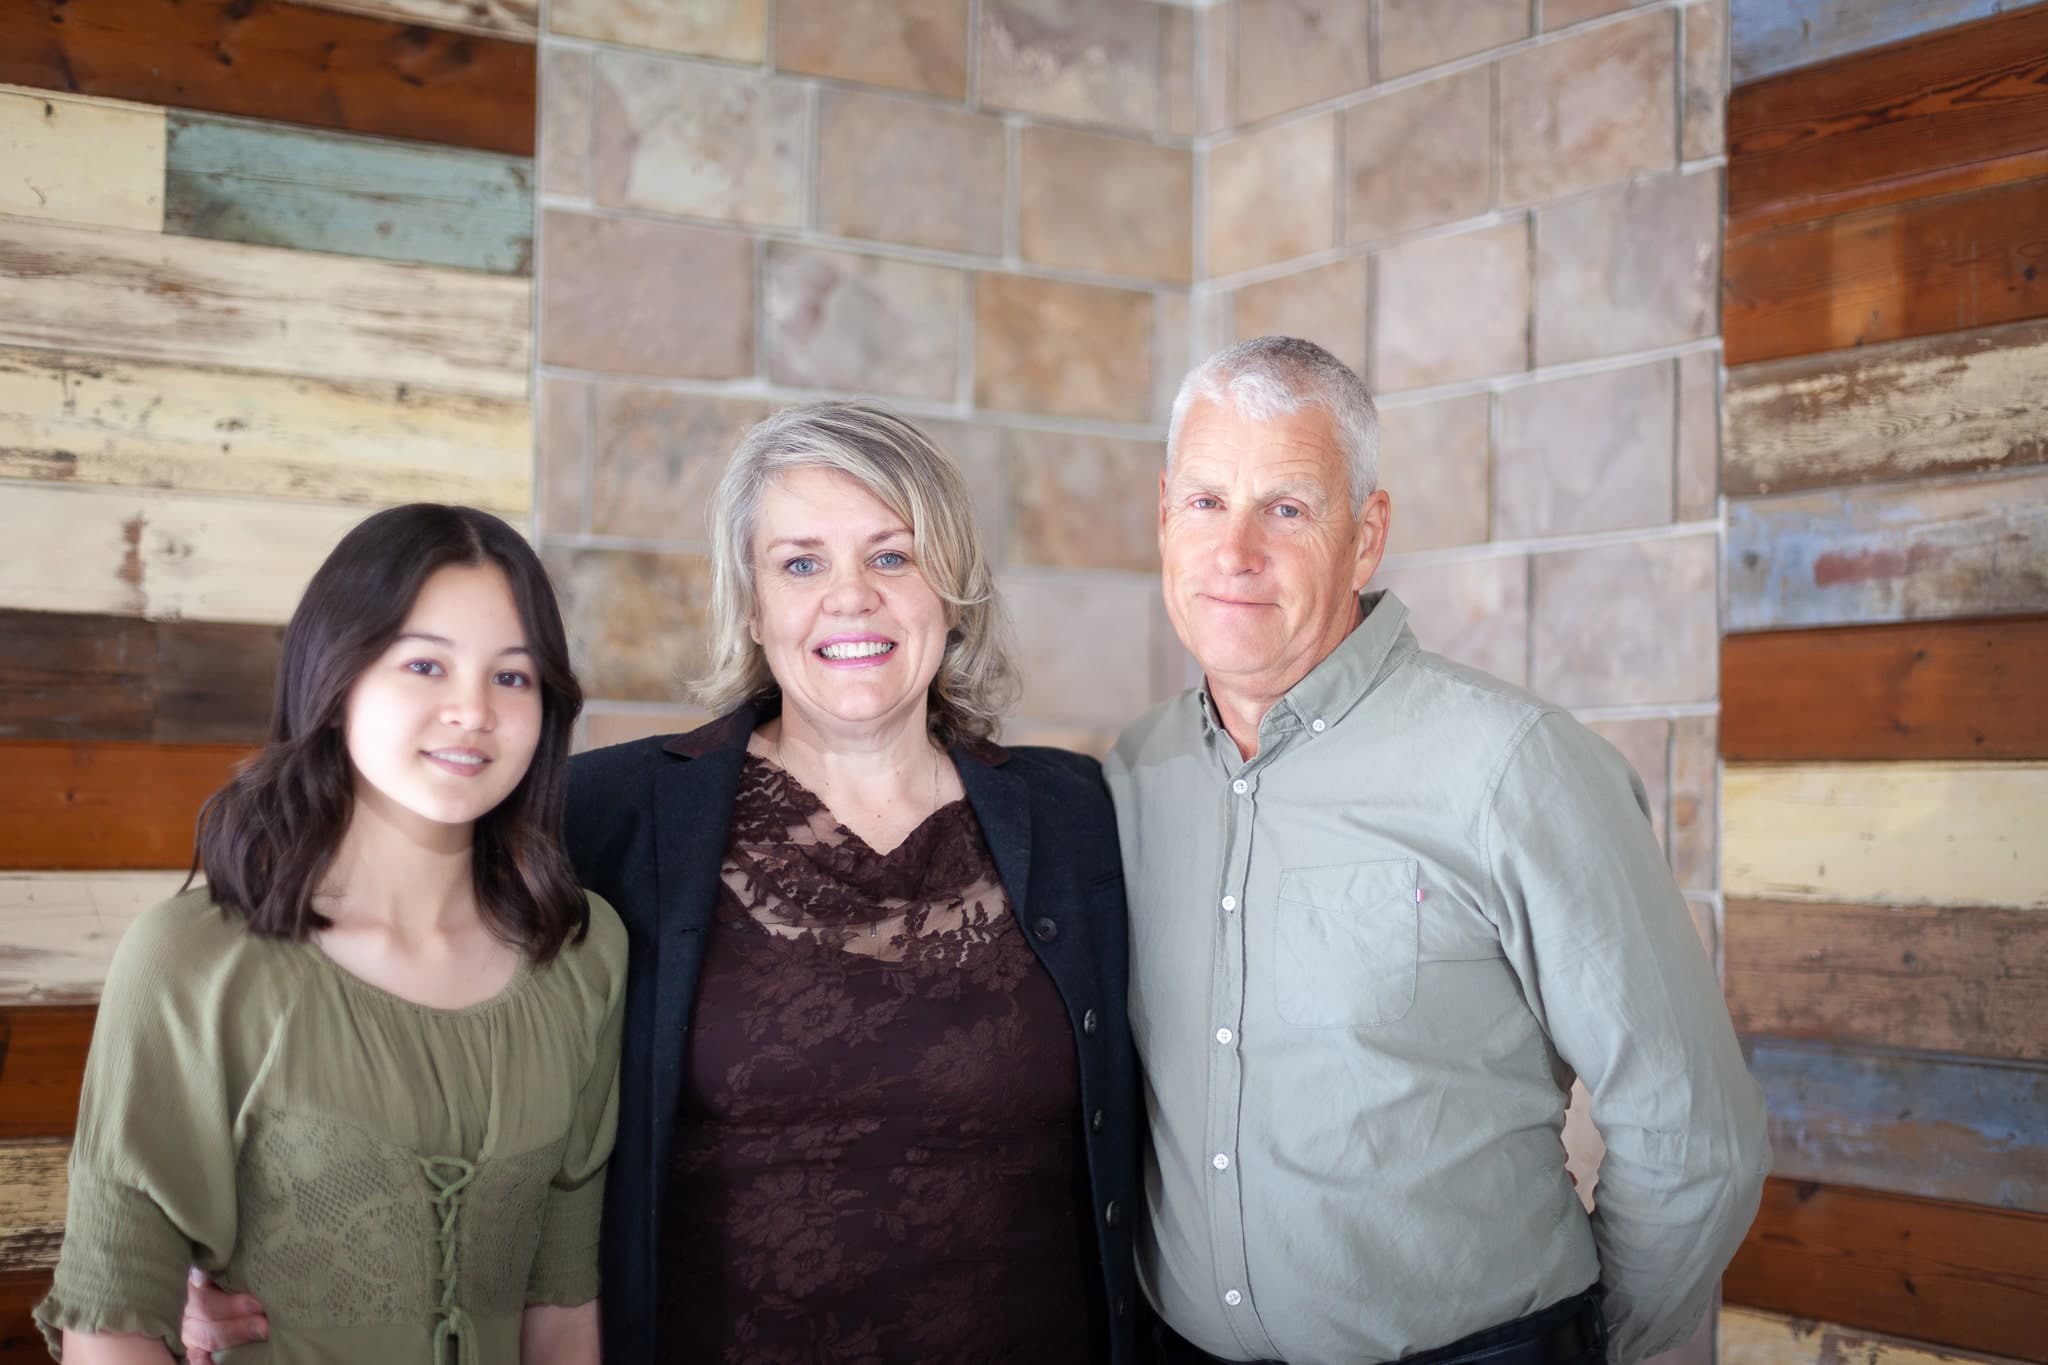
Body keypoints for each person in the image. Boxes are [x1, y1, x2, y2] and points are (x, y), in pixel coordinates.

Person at [183, 403, 1141, 1364]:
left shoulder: (1078, 814)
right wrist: (233, 1244)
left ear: (953, 589)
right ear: (752, 604)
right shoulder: (607, 813)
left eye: (892, 557)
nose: (851, 597)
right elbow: (393, 992)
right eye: (801, 563)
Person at [1105, 337, 1769, 1365]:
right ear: (1161, 517)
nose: (1233, 551)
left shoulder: (1515, 768)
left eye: (1285, 507)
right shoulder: (1131, 774)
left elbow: (1694, 1141)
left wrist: (1589, 1349)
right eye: (1203, 502)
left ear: (1365, 535)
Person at [39, 504, 625, 1364]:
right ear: (335, 677)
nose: (474, 711)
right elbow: (110, 1322)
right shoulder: (194, 959)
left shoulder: (583, 951)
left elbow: (563, 1304)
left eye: (513, 676)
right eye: (426, 664)